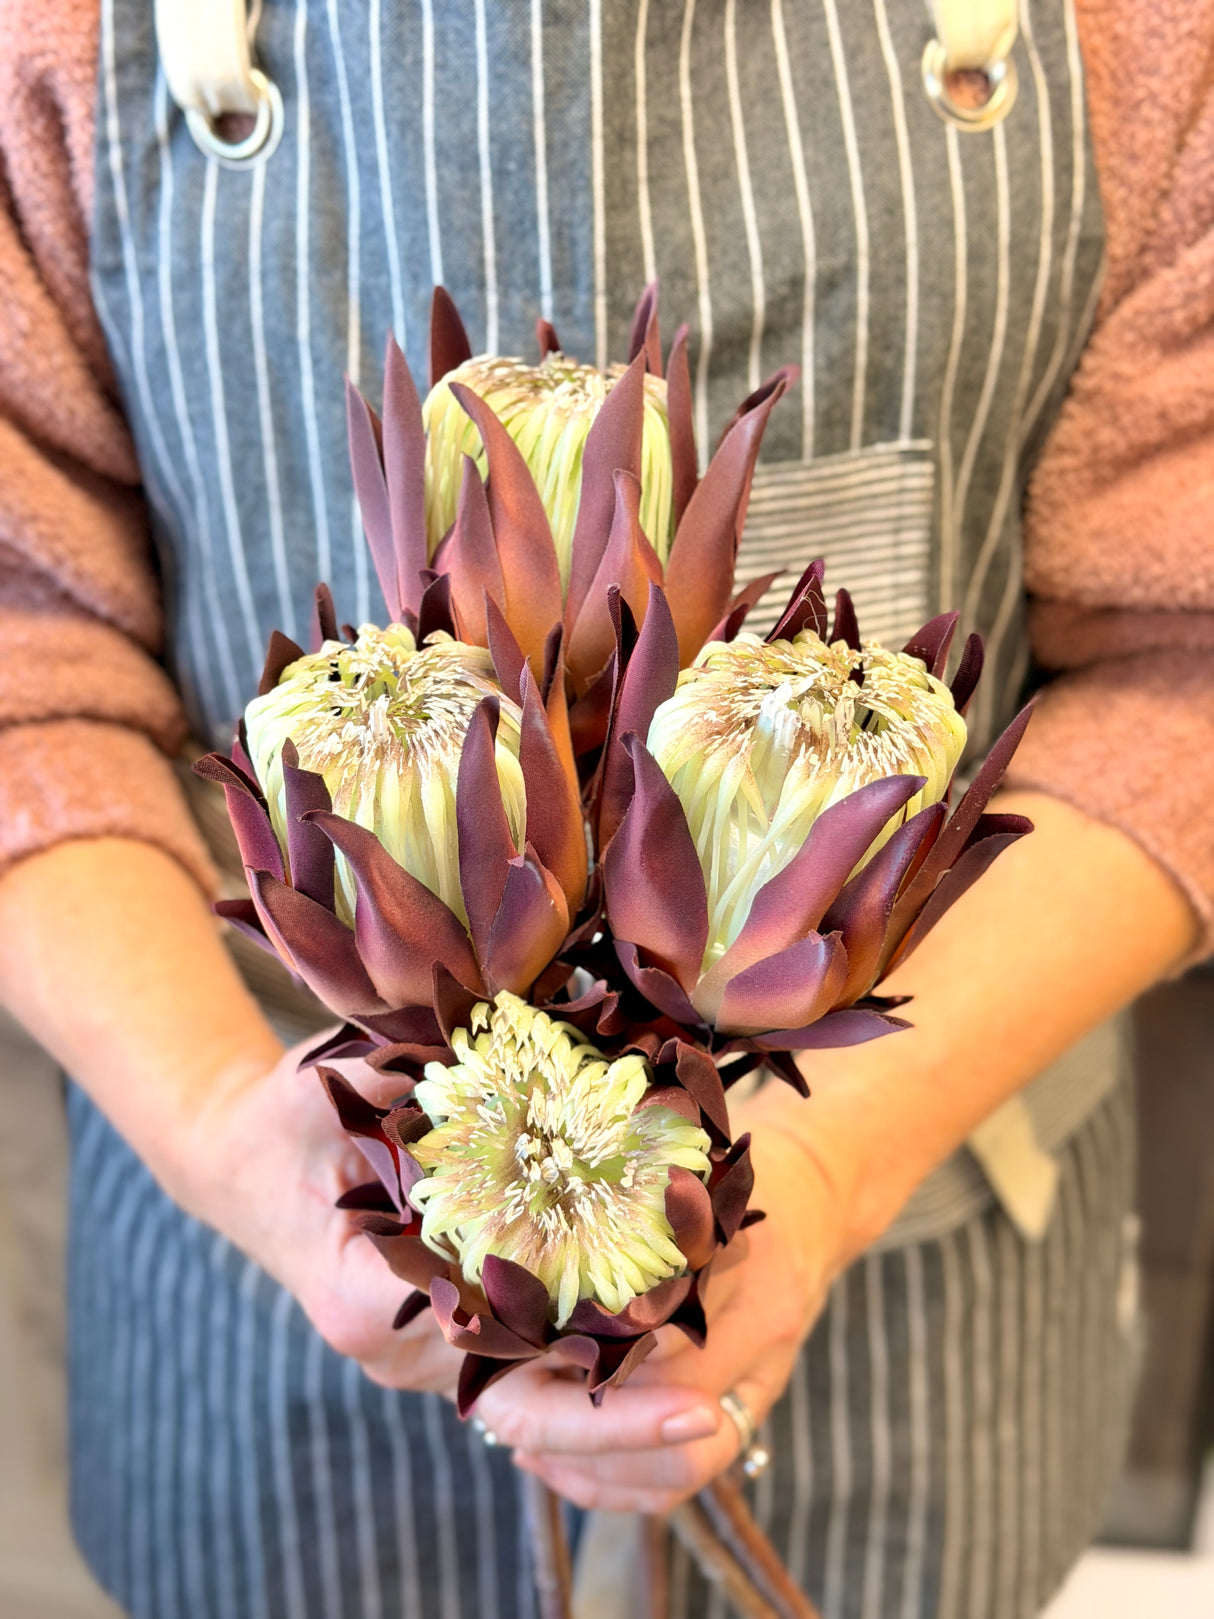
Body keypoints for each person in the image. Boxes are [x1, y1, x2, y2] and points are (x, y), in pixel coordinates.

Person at [0, 1, 1210, 1615]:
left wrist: (836, 1159)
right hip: (257, 1299)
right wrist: (233, 1136)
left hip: (928, 1303)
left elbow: (1181, 662)